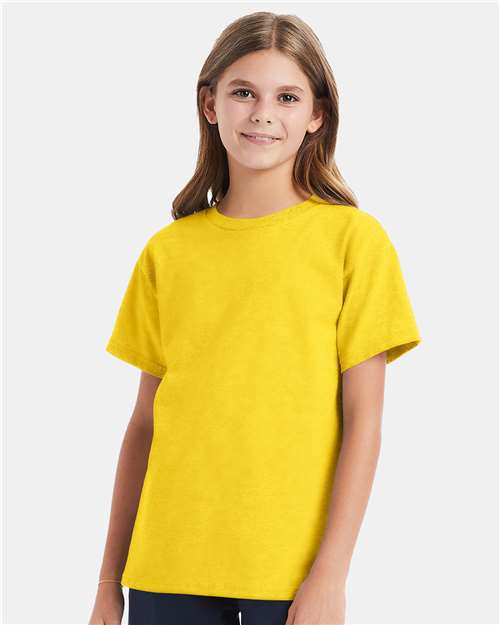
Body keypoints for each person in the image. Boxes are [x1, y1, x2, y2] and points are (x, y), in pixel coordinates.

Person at [88, 10, 422, 625]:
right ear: (210, 104)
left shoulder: (353, 241)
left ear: (316, 115)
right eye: (243, 92)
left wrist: (330, 576)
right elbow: (144, 426)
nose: (263, 113)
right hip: (166, 565)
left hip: (290, 574)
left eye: (287, 97)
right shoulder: (168, 252)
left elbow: (364, 422)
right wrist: (109, 581)